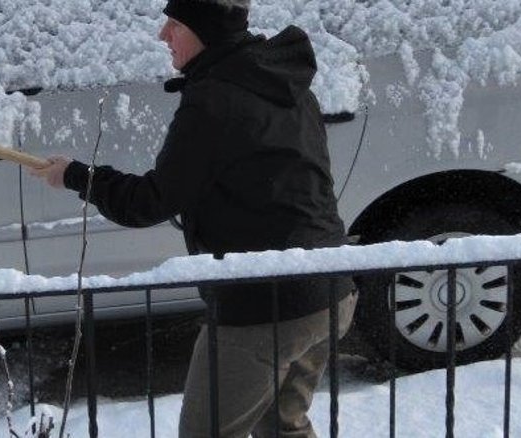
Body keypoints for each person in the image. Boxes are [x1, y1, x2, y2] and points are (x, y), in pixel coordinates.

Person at [32, 0, 357, 436]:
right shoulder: (282, 81)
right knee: (283, 428)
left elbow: (149, 200)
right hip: (329, 287)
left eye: (176, 23)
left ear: (205, 30)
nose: (163, 34)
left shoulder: (214, 99)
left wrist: (76, 176)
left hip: (265, 306)